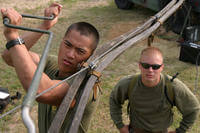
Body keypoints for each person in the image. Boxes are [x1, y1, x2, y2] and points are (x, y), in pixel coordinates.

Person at [1, 3, 100, 133]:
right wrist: (44, 26)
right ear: (62, 41)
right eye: (67, 45)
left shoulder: (85, 85)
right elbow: (9, 57)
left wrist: (13, 36)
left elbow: (44, 91)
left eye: (80, 51)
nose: (70, 54)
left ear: (90, 56)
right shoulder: (52, 63)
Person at [109, 46, 200, 133]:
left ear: (162, 67)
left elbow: (193, 109)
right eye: (146, 65)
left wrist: (180, 130)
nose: (150, 70)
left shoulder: (173, 86)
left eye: (155, 67)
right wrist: (120, 125)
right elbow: (114, 99)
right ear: (140, 65)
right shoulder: (128, 83)